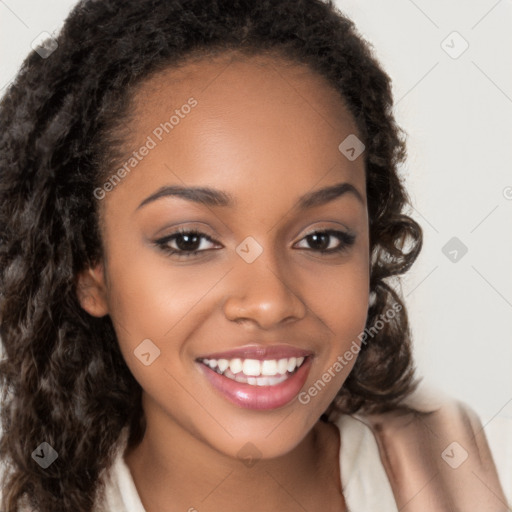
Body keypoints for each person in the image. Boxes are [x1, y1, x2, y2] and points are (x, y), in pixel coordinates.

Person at [0, 0, 506, 510]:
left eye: (321, 238)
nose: (268, 302)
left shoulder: (459, 462)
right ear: (92, 269)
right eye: (190, 241)